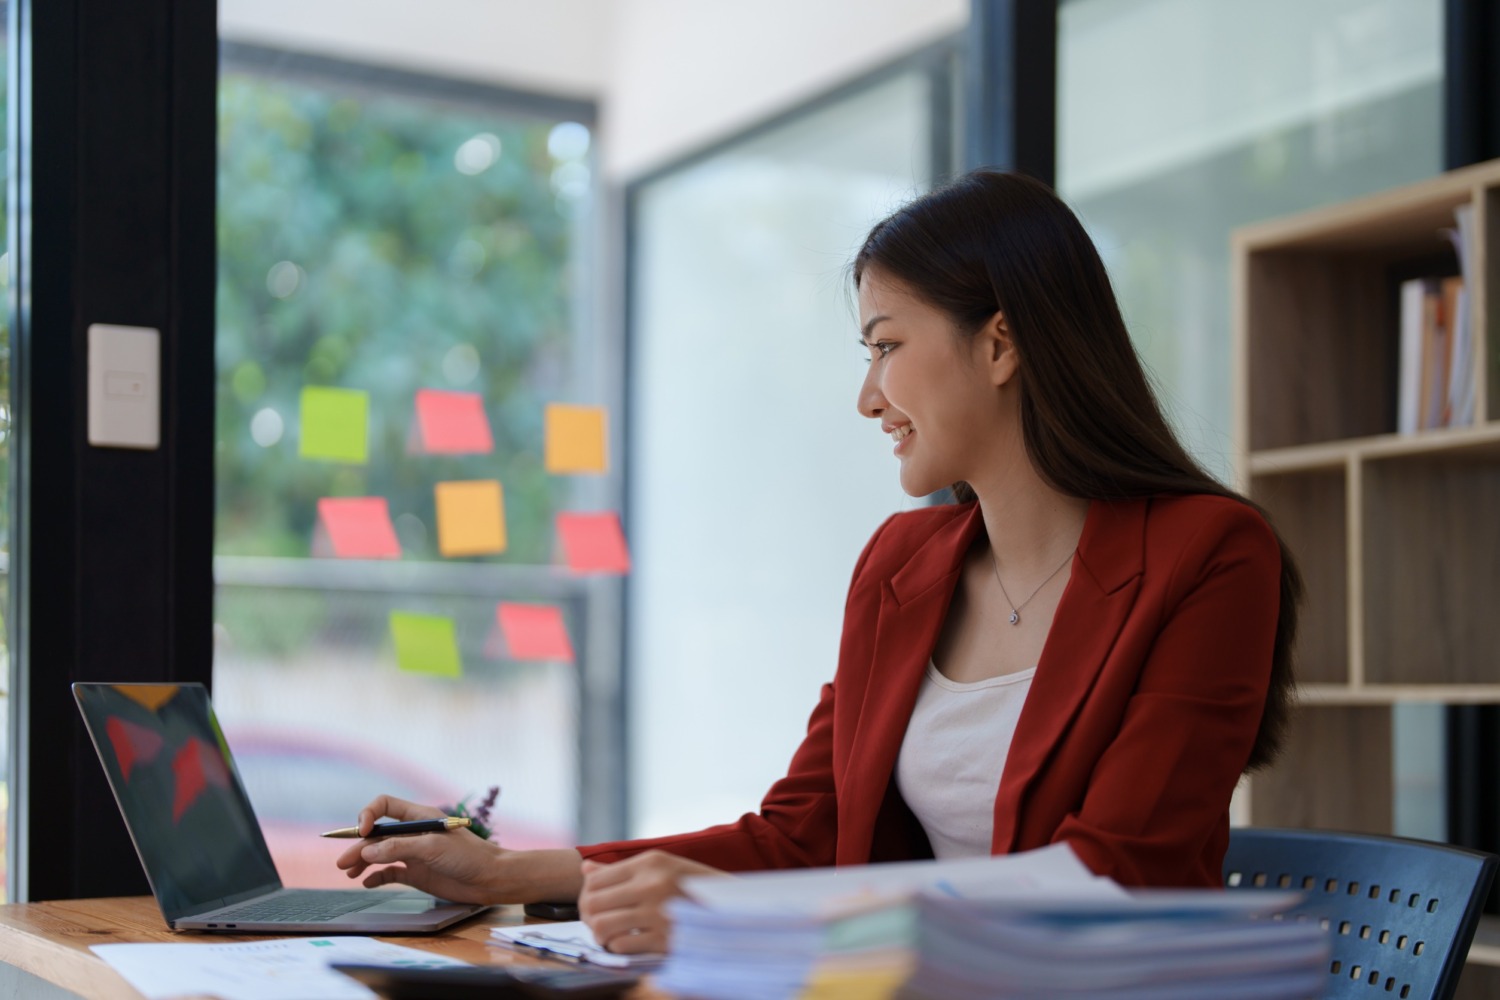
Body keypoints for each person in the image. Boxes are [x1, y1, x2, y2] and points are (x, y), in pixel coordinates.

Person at [336, 169, 1302, 956]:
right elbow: (801, 836)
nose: (867, 398)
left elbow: (1112, 875)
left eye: (886, 346)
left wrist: (734, 912)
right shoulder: (901, 564)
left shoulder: (1212, 555)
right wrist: (504, 872)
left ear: (1001, 342)